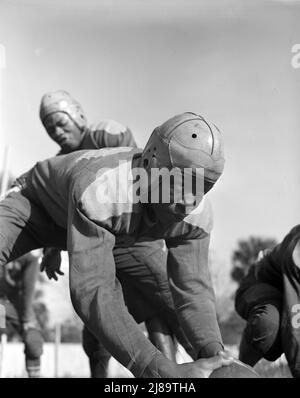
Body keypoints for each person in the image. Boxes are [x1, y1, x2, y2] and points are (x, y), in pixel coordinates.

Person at [0, 112, 232, 377]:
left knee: (159, 297)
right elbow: (93, 290)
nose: (189, 201)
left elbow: (193, 288)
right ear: (150, 162)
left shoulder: (197, 214)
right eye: (181, 181)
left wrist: (215, 354)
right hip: (36, 208)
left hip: (103, 228)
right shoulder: (105, 188)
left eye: (203, 185)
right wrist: (156, 370)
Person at [38, 90, 177, 376]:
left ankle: (177, 376)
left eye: (60, 123)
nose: (57, 132)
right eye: (50, 128)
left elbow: (138, 177)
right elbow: (59, 212)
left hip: (133, 239)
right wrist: (51, 249)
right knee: (97, 324)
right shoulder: (60, 164)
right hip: (98, 249)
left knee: (160, 305)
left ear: (77, 117)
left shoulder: (106, 135)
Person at [235, 225, 300, 377]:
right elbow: (296, 326)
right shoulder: (297, 253)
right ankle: (240, 368)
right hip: (261, 286)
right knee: (269, 327)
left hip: (289, 292)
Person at [0, 252, 43, 377]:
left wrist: (26, 318)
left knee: (33, 340)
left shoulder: (27, 258)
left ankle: (34, 374)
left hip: (19, 306)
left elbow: (28, 289)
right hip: (1, 303)